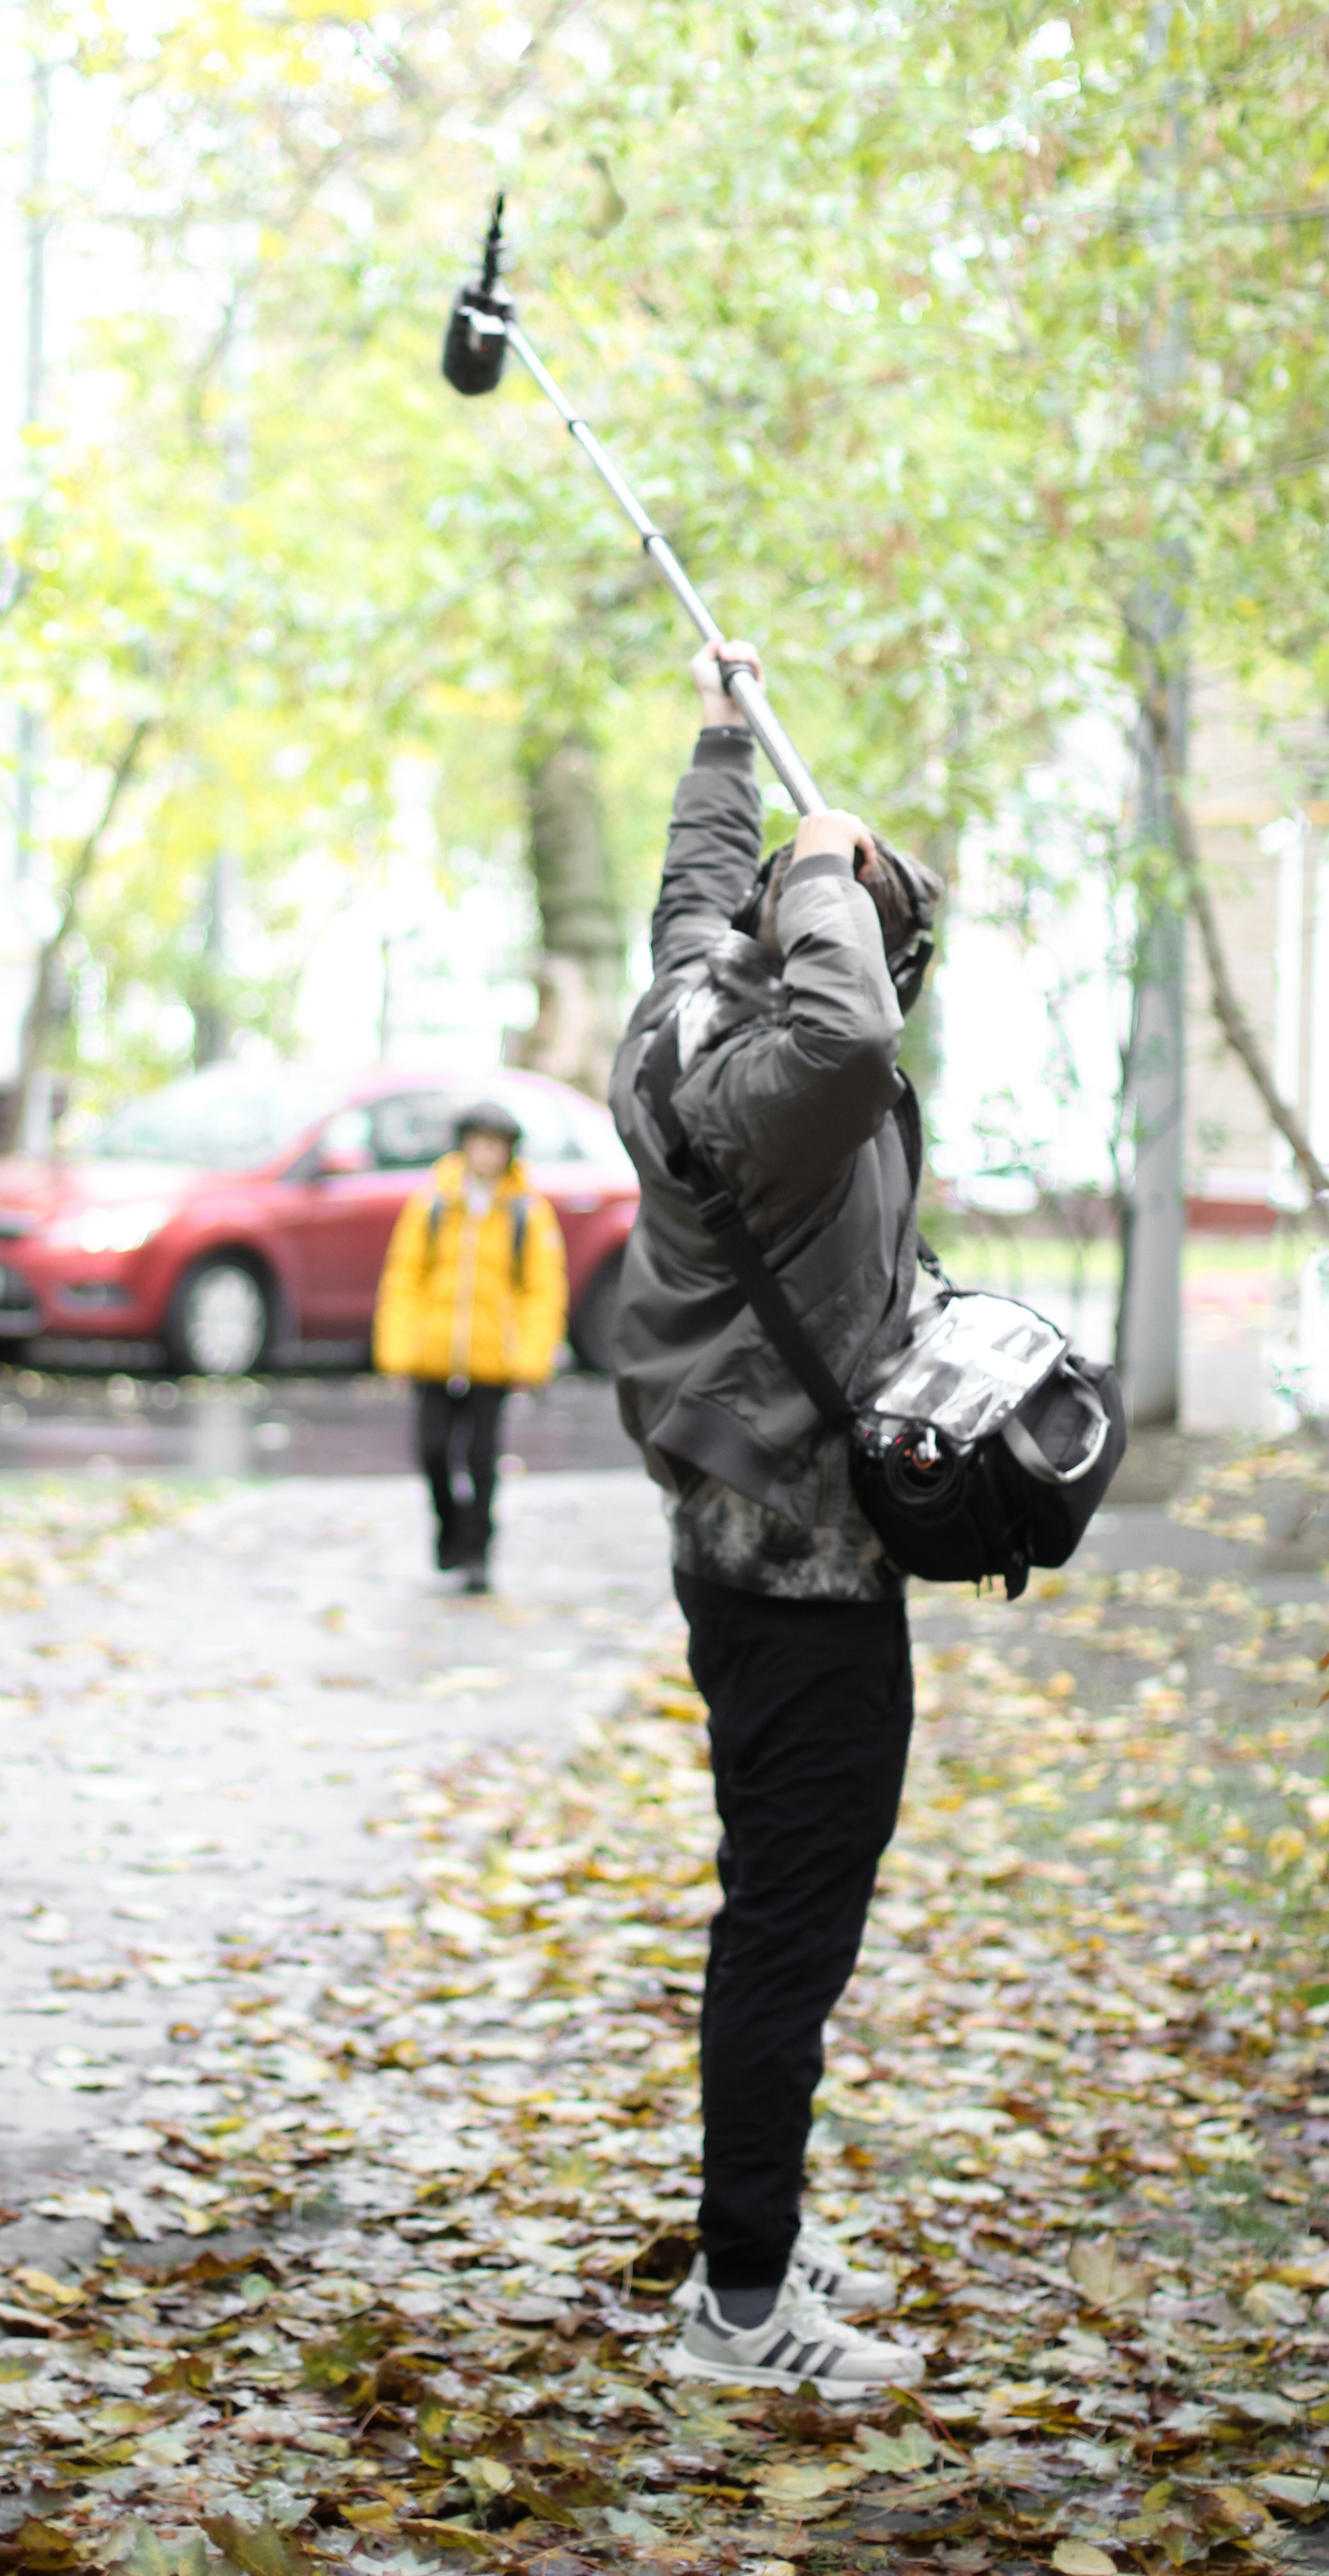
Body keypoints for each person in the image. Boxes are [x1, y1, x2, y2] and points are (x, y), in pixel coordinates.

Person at [609, 635, 943, 2400]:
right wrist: (819, 861)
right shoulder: (793, 1095)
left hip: (727, 1532)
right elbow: (852, 1018)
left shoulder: (679, 1013)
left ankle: (757, 2214)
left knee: (771, 1897)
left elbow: (689, 892)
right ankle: (741, 2299)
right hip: (807, 1567)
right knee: (789, 1927)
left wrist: (719, 735)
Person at [373, 1100, 568, 1592]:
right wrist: (398, 1352)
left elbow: (542, 1291)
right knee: (433, 1451)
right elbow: (404, 1277)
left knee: (482, 1459)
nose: (487, 1154)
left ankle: (478, 1550)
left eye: (497, 1145)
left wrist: (531, 1358)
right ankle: (450, 1528)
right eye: (480, 1142)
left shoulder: (527, 1211)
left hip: (492, 1360)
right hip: (434, 1355)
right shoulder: (434, 1203)